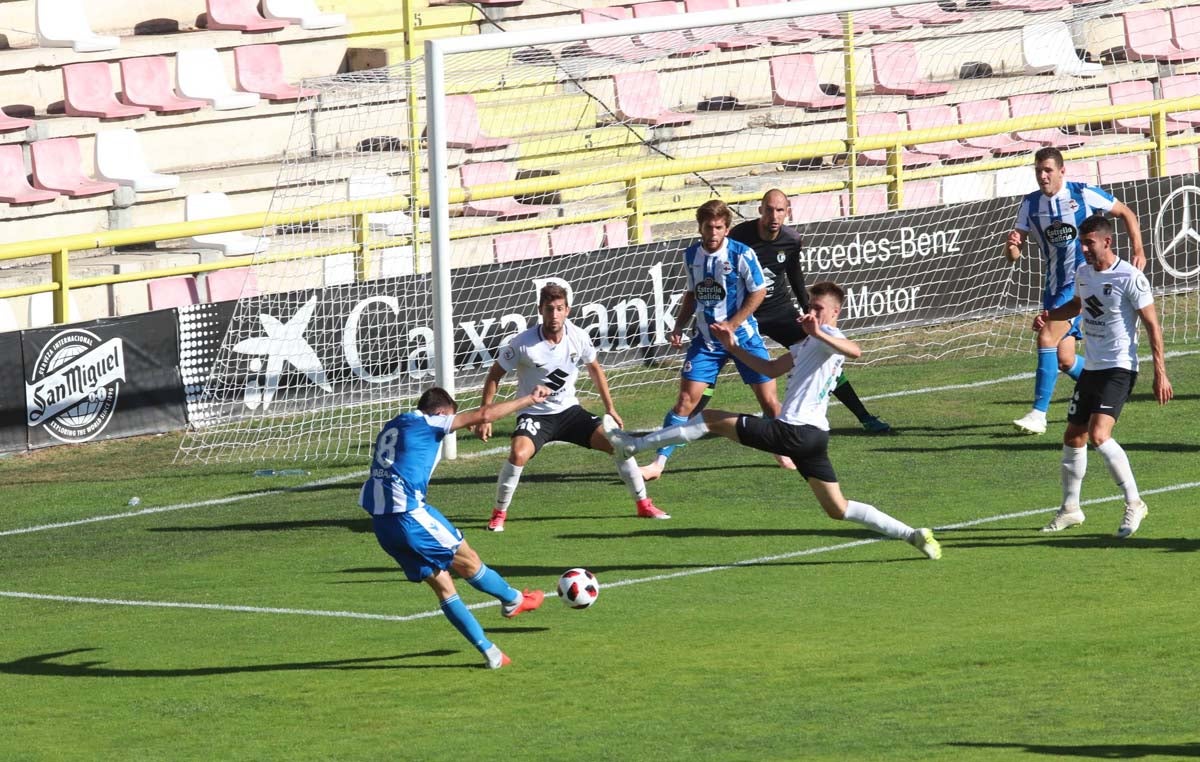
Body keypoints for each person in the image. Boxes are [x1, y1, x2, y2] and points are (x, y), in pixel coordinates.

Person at [603, 281, 943, 560]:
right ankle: (913, 535)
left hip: (792, 431)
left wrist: (819, 332)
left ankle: (635, 443)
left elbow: (855, 351)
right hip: (812, 438)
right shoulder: (809, 343)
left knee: (711, 418)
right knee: (838, 508)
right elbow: (768, 369)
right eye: (809, 306)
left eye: (819, 308)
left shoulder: (829, 340)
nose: (811, 312)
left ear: (835, 313)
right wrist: (732, 347)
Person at [359, 385, 552, 670]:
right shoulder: (429, 422)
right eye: (448, 419)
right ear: (440, 413)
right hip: (410, 515)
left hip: (381, 524)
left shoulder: (396, 422)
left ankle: (492, 654)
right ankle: (513, 599)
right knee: (468, 560)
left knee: (443, 585)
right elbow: (484, 414)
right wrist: (529, 399)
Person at [477, 282, 668, 533]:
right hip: (536, 414)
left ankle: (644, 504)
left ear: (567, 310)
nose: (554, 315)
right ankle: (498, 514)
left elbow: (596, 370)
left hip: (570, 412)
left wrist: (610, 408)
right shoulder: (522, 343)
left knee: (619, 445)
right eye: (549, 309)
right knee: (518, 454)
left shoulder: (578, 336)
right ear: (540, 310)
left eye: (559, 309)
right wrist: (485, 415)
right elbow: (494, 375)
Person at [640, 198, 793, 482]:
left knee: (770, 403)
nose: (713, 233)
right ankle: (658, 463)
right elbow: (691, 294)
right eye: (708, 227)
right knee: (685, 400)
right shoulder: (690, 255)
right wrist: (678, 325)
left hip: (744, 338)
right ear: (700, 227)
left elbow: (758, 291)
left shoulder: (741, 254)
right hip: (707, 343)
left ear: (727, 228)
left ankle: (785, 450)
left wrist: (733, 325)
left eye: (719, 227)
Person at [1037, 215, 1171, 537]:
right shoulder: (1083, 273)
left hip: (1120, 368)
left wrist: (1160, 374)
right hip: (1093, 368)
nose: (1083, 248)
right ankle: (1071, 508)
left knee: (1099, 435)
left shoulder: (1130, 277)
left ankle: (1134, 502)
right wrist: (1049, 316)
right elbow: (1078, 305)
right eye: (1081, 243)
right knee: (1073, 437)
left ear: (1107, 241)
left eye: (1089, 243)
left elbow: (1152, 325)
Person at [723, 188, 891, 434]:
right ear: (760, 210)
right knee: (715, 357)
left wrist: (807, 311)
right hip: (746, 312)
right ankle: (682, 426)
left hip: (779, 310)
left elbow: (795, 276)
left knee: (821, 352)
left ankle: (865, 417)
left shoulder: (791, 239)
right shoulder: (740, 236)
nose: (774, 216)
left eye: (780, 210)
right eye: (769, 209)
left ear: (787, 212)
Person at [1005, 147, 1146, 435]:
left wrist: (1139, 249)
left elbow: (1126, 213)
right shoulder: (1030, 204)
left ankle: (1038, 414)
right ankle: (1111, 390)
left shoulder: (1082, 194)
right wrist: (1013, 247)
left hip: (1081, 282)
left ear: (1061, 171)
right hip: (1054, 287)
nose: (1042, 176)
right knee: (1065, 358)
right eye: (1038, 170)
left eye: (1047, 170)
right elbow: (1014, 253)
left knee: (1046, 335)